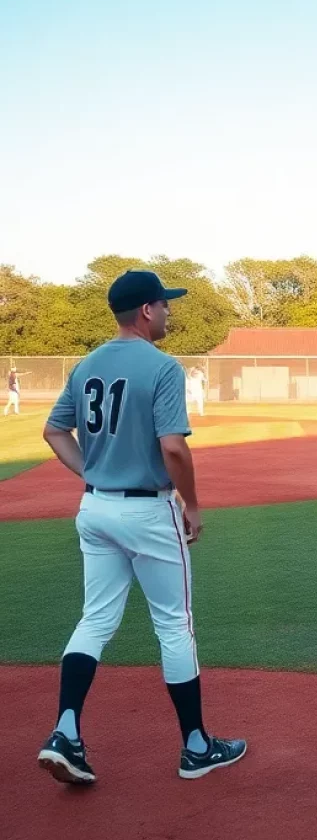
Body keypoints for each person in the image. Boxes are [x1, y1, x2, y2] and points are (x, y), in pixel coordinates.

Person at [36, 270, 246, 785]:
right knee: (174, 625)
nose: (170, 312)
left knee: (95, 621)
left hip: (96, 509)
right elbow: (173, 446)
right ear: (147, 311)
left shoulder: (86, 364)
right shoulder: (162, 367)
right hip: (148, 512)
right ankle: (196, 747)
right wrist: (192, 505)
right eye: (165, 305)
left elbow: (52, 430)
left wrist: (93, 473)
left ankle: (66, 732)